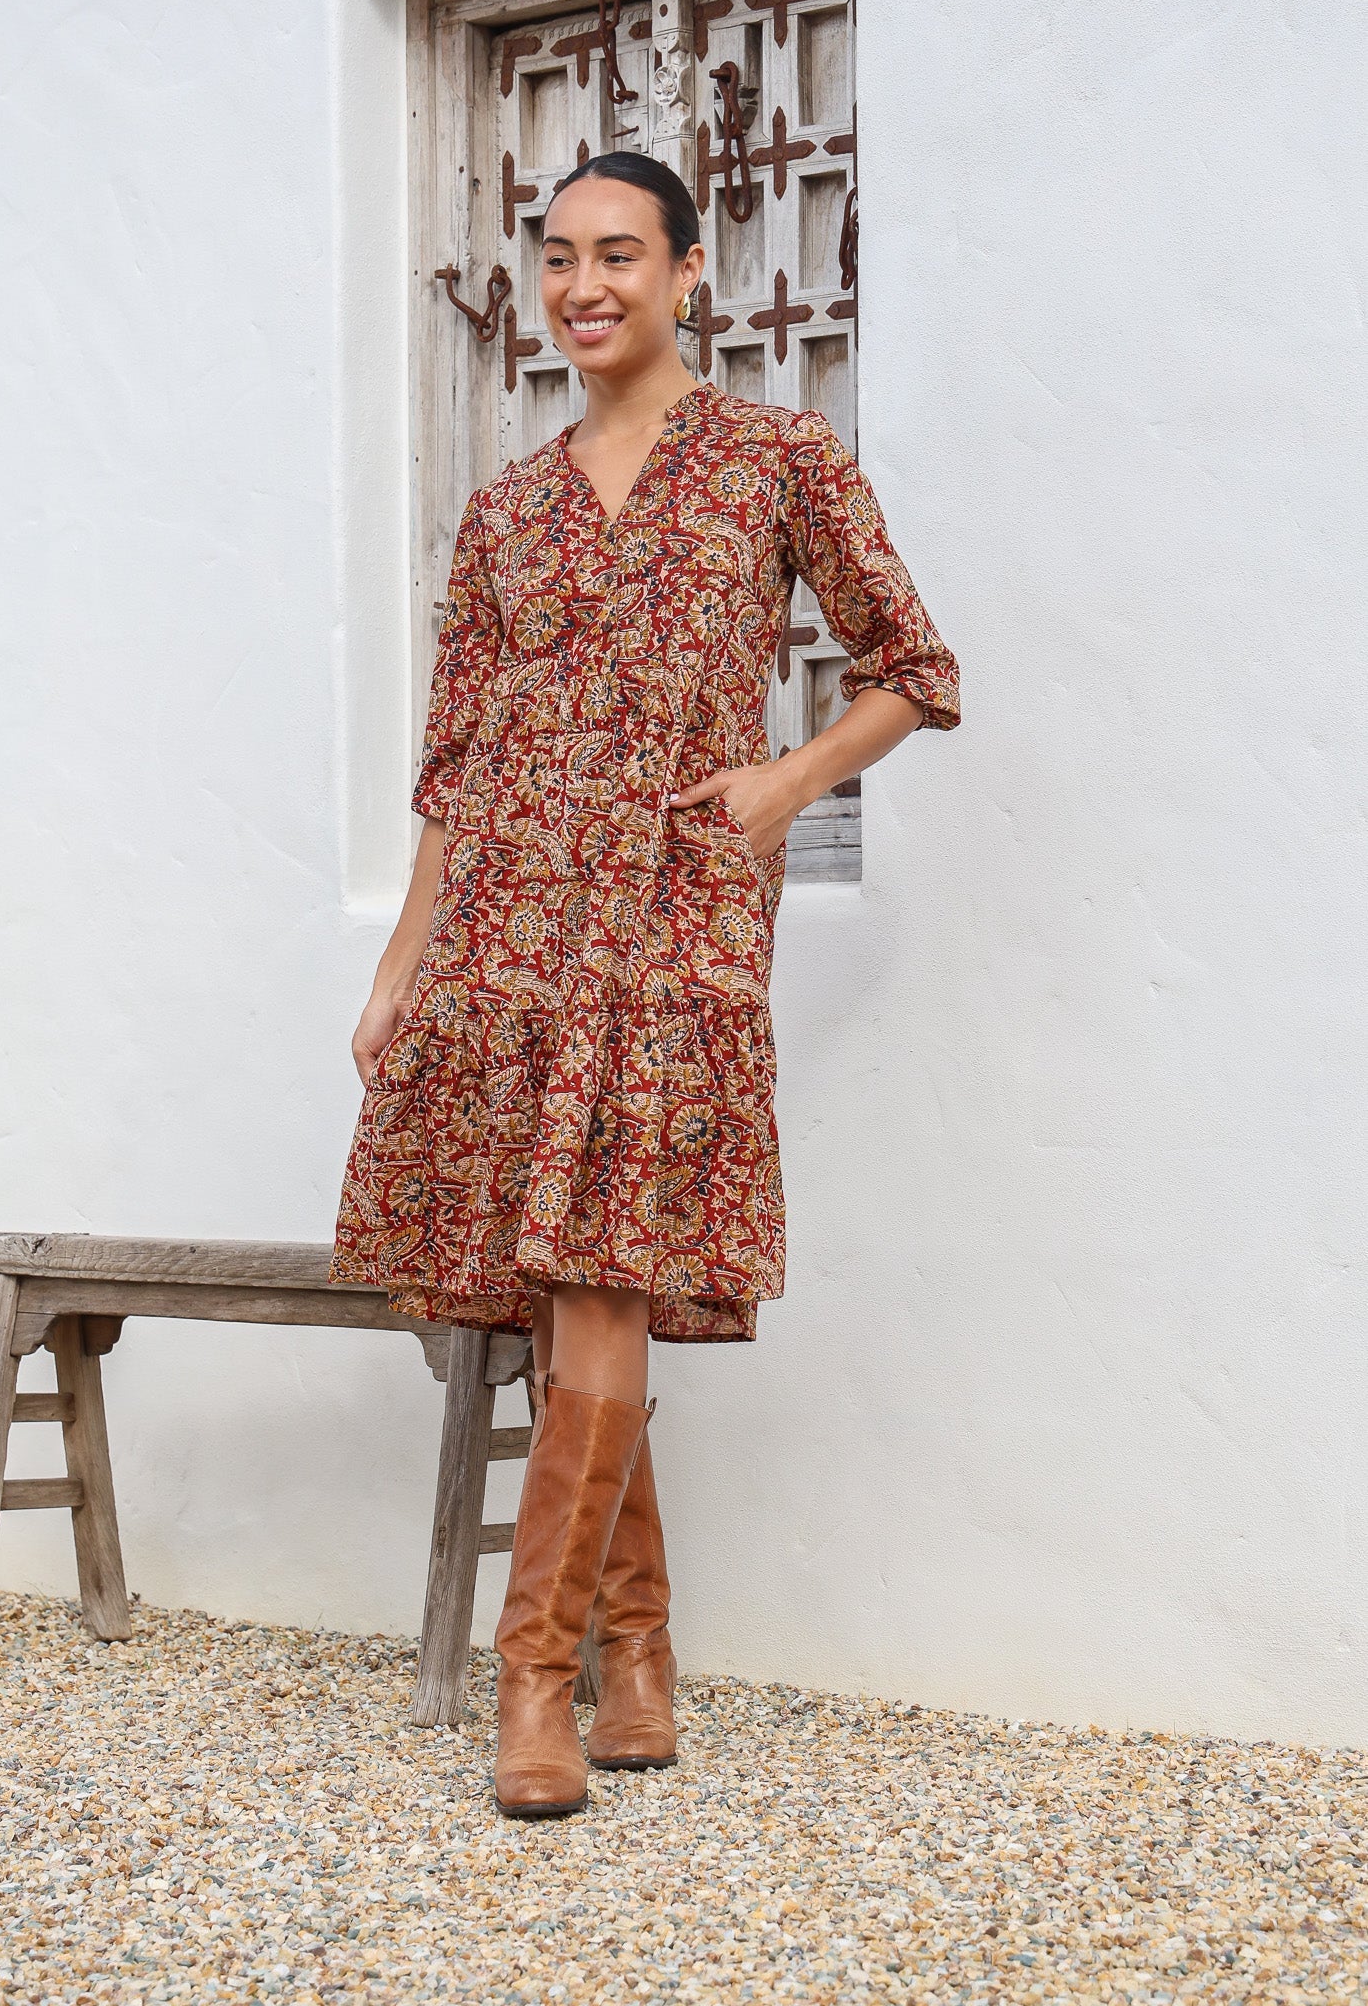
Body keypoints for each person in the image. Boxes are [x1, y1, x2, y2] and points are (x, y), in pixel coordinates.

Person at [330, 151, 961, 1818]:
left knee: (601, 1269)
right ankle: (644, 1655)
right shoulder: (503, 513)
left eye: (620, 256)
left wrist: (786, 783)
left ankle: (539, 1682)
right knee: (566, 1284)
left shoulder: (774, 461)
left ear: (690, 274)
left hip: (675, 931)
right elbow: (457, 769)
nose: (585, 286)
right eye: (557, 260)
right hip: (510, 941)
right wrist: (406, 964)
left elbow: (917, 667)